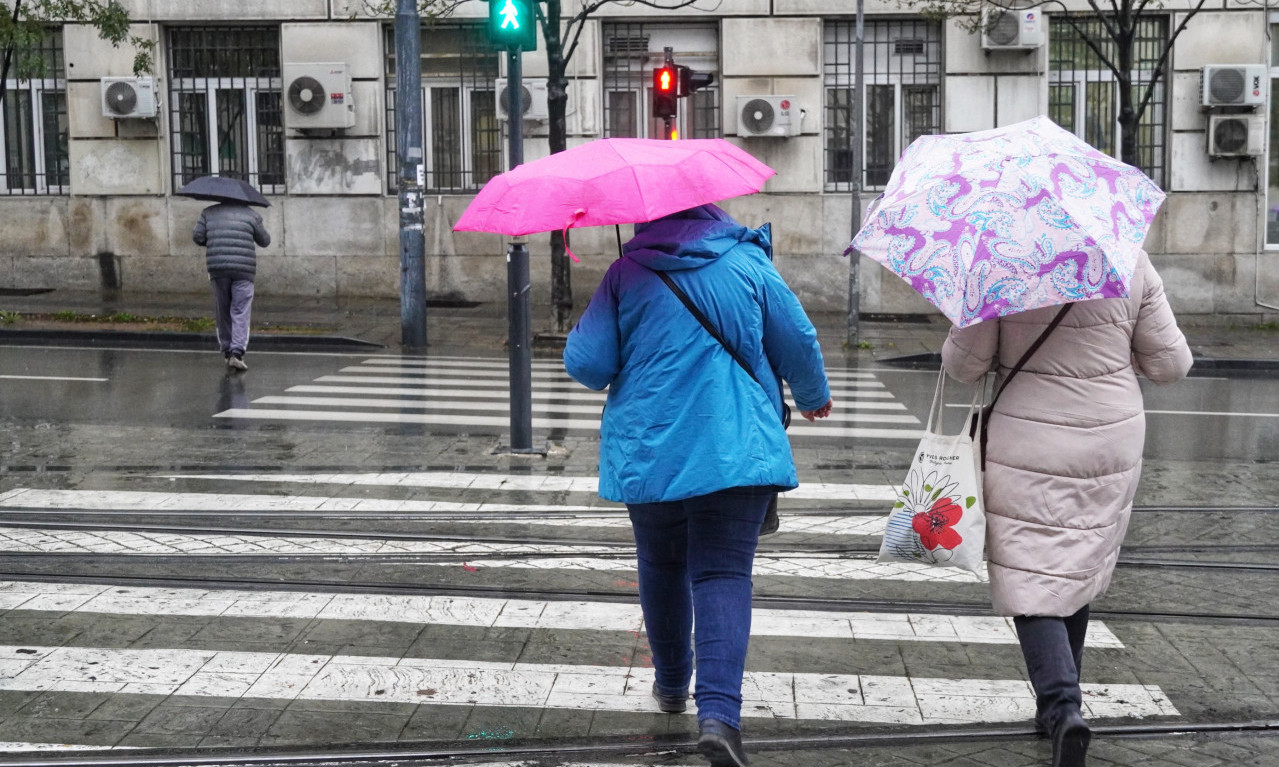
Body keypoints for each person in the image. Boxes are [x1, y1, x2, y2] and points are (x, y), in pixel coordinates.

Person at [564, 203, 833, 767]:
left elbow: (587, 365)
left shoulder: (626, 272)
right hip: (736, 446)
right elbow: (797, 340)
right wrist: (811, 398)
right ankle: (719, 720)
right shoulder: (748, 263)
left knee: (661, 565)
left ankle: (669, 686)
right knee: (722, 573)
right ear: (711, 206)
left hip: (650, 448)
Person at [941, 250, 1192, 767]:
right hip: (1111, 437)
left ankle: (1061, 707)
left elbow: (963, 367)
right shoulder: (1130, 261)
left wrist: (969, 310)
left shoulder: (1002, 263)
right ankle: (1055, 708)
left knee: (1031, 570)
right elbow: (1171, 364)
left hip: (1029, 436)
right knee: (1076, 558)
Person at [193, 201, 270, 371]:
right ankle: (237, 352)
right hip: (244, 269)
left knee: (223, 309)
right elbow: (265, 241)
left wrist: (214, 240)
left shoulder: (208, 213)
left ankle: (227, 351)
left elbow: (198, 237)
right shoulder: (251, 215)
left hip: (218, 267)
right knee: (240, 310)